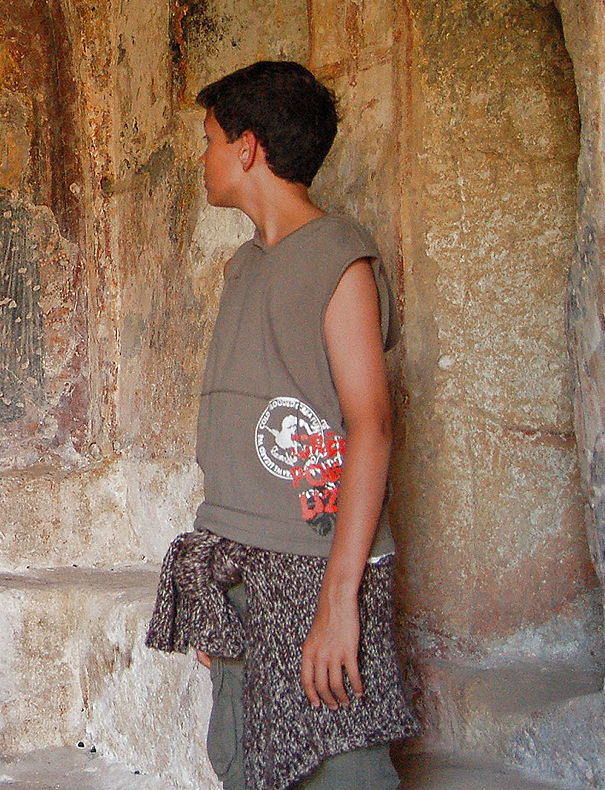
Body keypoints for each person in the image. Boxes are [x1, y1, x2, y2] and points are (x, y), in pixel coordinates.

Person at [145, 61, 417, 790]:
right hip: (238, 568)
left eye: (207, 139)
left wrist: (337, 604)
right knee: (242, 758)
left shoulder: (339, 260)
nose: (200, 158)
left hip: (314, 570)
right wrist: (213, 594)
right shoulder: (243, 268)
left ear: (246, 147)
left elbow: (372, 427)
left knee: (340, 768)